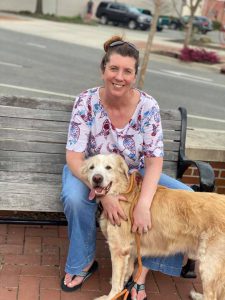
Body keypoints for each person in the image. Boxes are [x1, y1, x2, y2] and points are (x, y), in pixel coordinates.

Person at [60, 35, 193, 300]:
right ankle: (82, 263)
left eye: (127, 71)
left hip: (134, 173)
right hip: (90, 170)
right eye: (113, 69)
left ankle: (140, 273)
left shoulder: (148, 107)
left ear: (135, 75)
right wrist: (104, 194)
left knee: (184, 197)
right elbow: (74, 157)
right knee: (74, 198)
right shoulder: (85, 102)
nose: (119, 77)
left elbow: (154, 161)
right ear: (103, 70)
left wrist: (143, 204)